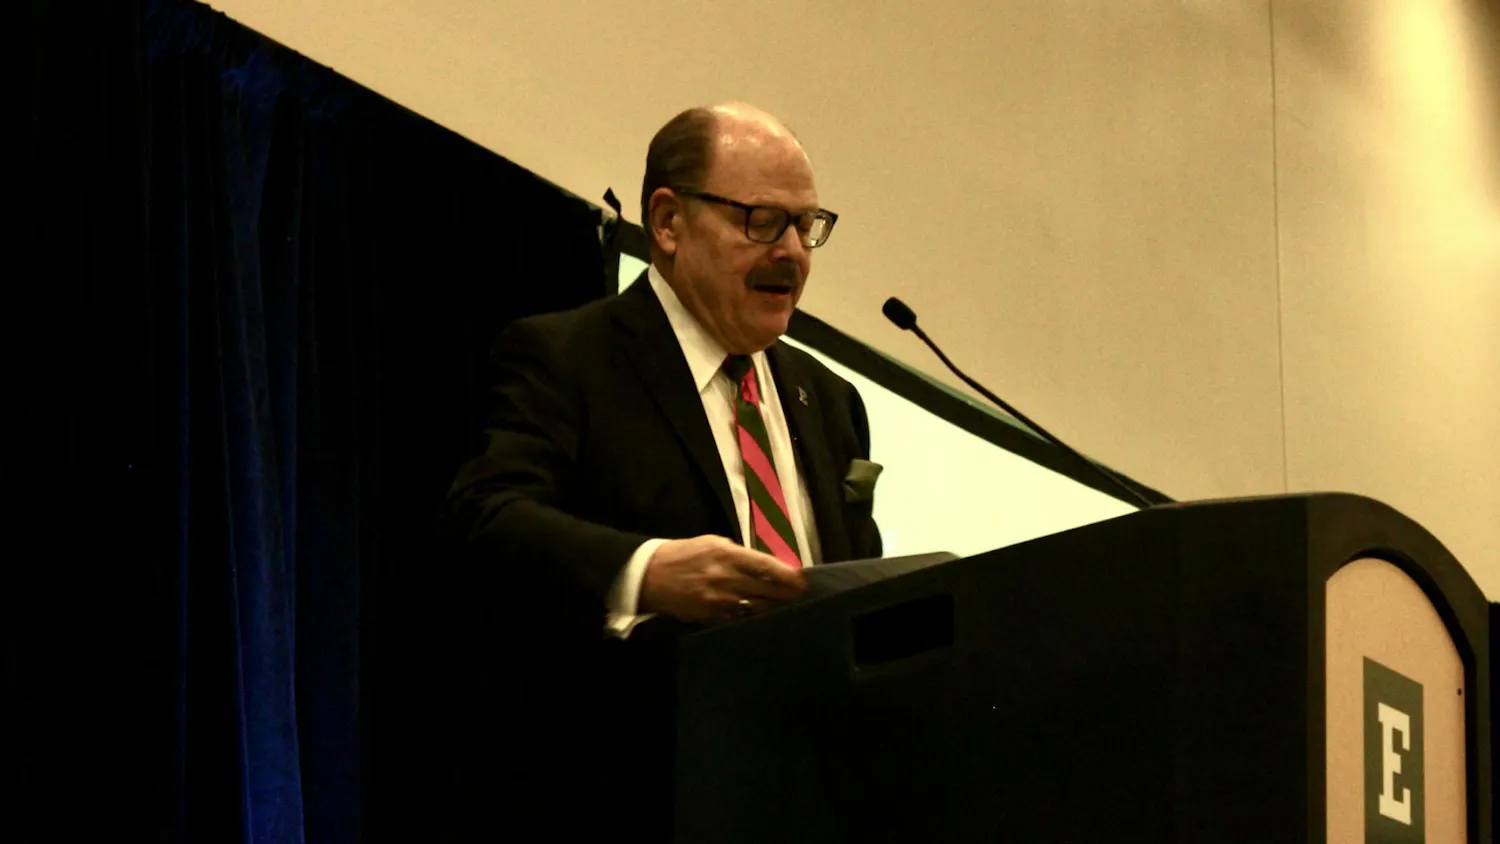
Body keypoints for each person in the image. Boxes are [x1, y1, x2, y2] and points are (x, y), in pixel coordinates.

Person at [441, 102, 882, 841]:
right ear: (669, 223)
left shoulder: (829, 399)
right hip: (625, 801)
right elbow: (483, 517)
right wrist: (646, 572)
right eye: (762, 220)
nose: (794, 253)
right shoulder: (569, 357)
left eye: (807, 227)